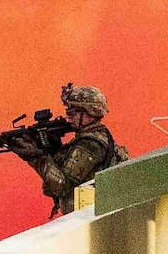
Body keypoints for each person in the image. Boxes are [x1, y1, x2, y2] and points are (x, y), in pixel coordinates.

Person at [8, 84, 126, 216]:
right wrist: (53, 149)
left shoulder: (90, 144)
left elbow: (61, 186)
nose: (68, 118)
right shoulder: (98, 136)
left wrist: (36, 157)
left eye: (72, 113)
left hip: (87, 218)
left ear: (90, 112)